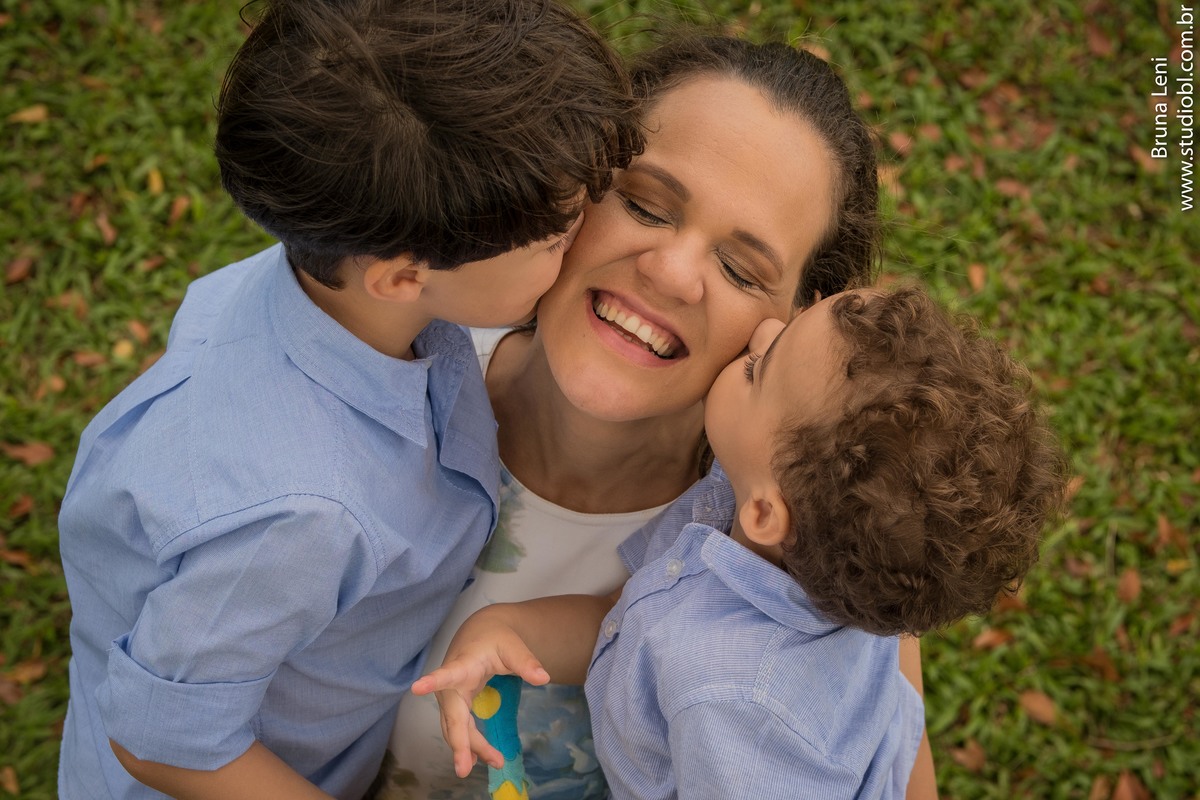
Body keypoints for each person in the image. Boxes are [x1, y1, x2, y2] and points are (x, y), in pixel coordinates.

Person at [54, 0, 641, 797]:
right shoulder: (300, 515)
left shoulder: (333, 287)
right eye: (554, 240)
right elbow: (165, 741)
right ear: (403, 276)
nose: (585, 243)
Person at [376, 34, 940, 800]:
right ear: (577, 181)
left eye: (743, 269)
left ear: (803, 329)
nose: (671, 274)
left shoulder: (820, 548)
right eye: (645, 203)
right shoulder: (390, 336)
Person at [414, 286, 1067, 799]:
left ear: (765, 513)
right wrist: (510, 630)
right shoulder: (771, 527)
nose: (760, 329)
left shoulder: (738, 706)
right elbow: (638, 616)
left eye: (760, 367)